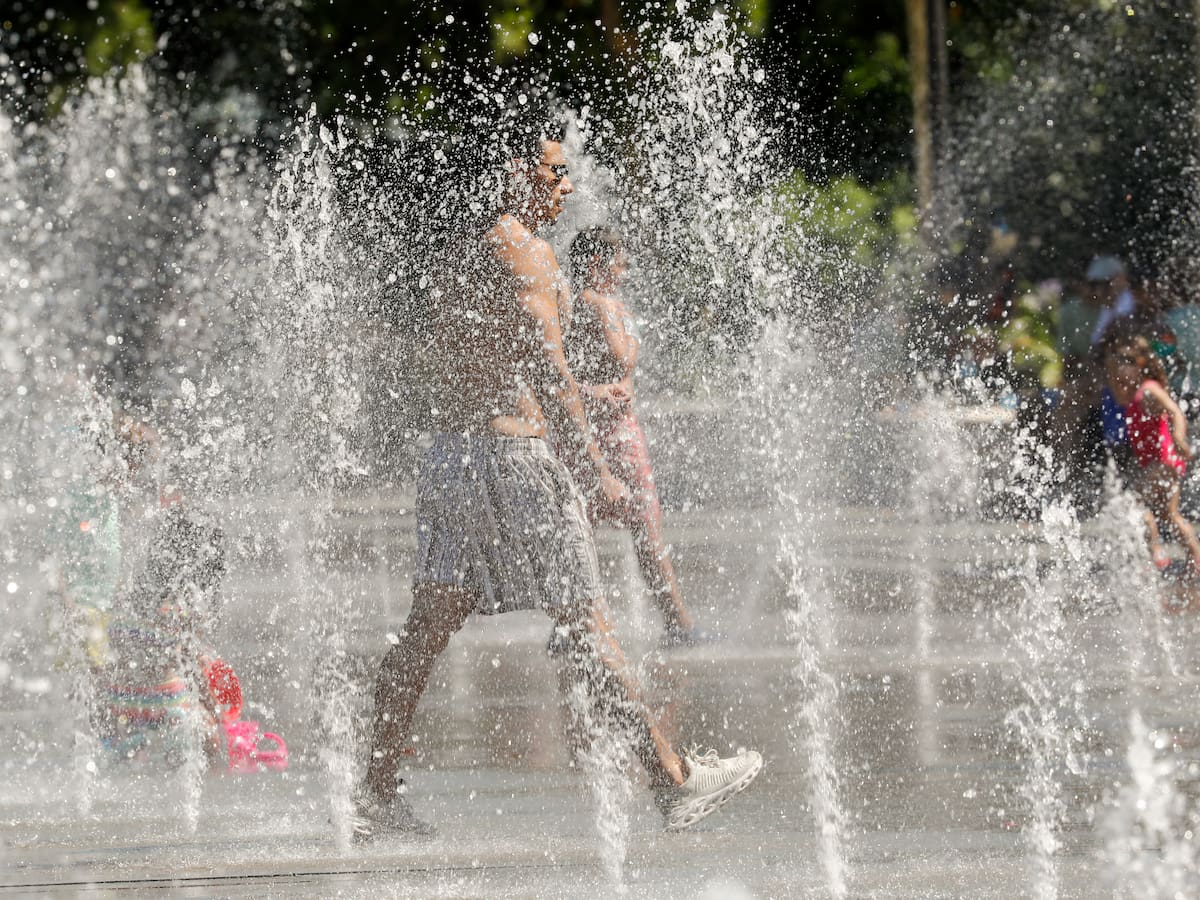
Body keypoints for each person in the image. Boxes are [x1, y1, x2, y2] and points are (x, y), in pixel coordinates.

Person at [357, 123, 762, 838]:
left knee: (425, 629)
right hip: (514, 460)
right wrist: (596, 467)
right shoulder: (527, 251)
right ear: (517, 170)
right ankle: (672, 781)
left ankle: (373, 791)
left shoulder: (459, 249)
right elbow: (550, 368)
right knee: (586, 621)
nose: (568, 186)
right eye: (556, 171)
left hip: (451, 457)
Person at [560, 227, 712, 648]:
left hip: (596, 432)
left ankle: (571, 628)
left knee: (586, 531)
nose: (625, 272)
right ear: (597, 264)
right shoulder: (593, 305)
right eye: (620, 264)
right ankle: (677, 624)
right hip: (608, 434)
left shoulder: (584, 304)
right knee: (640, 529)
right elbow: (601, 363)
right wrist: (596, 389)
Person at [1104, 334, 1200, 574]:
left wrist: (1179, 438)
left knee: (1135, 505)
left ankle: (1156, 554)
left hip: (1163, 462)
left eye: (1125, 363)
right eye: (1117, 365)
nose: (1120, 371)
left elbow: (1175, 412)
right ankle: (1195, 559)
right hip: (1160, 463)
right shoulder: (1133, 393)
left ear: (1141, 364)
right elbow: (1118, 392)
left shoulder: (1149, 390)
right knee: (1170, 515)